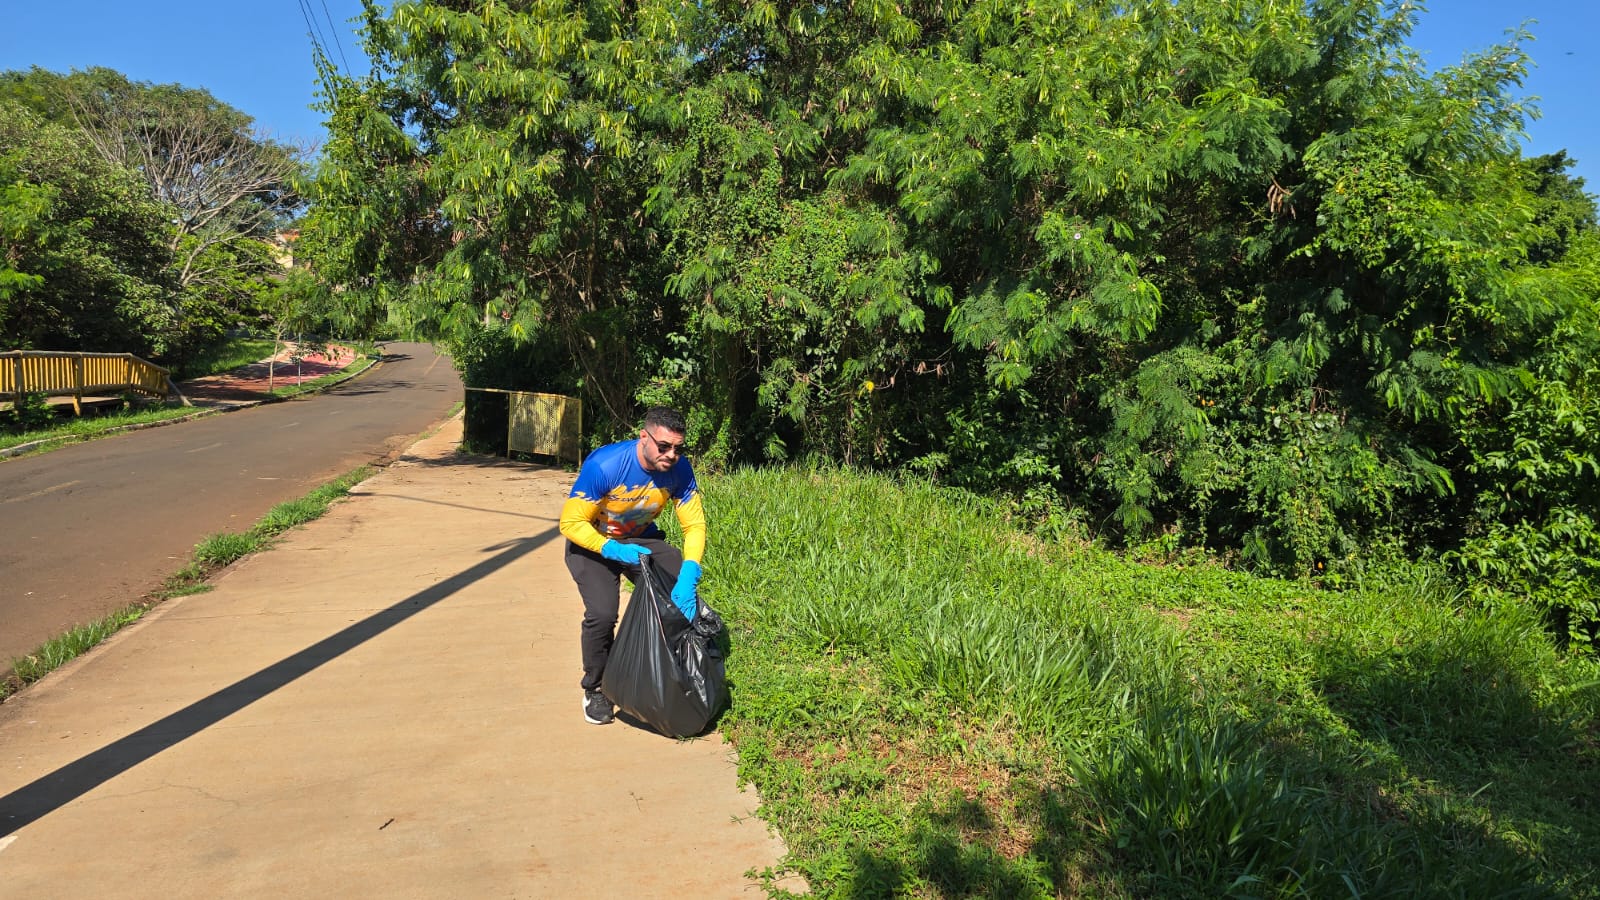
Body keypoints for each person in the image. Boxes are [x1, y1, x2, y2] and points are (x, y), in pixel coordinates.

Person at [558, 406, 707, 725]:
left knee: (677, 590)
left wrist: (690, 572)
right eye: (664, 446)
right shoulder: (606, 465)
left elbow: (694, 526)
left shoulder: (679, 470)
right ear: (644, 437)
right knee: (602, 613)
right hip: (593, 543)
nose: (671, 455)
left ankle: (671, 672)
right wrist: (609, 548)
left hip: (639, 539)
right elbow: (571, 523)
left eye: (678, 448)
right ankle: (595, 688)